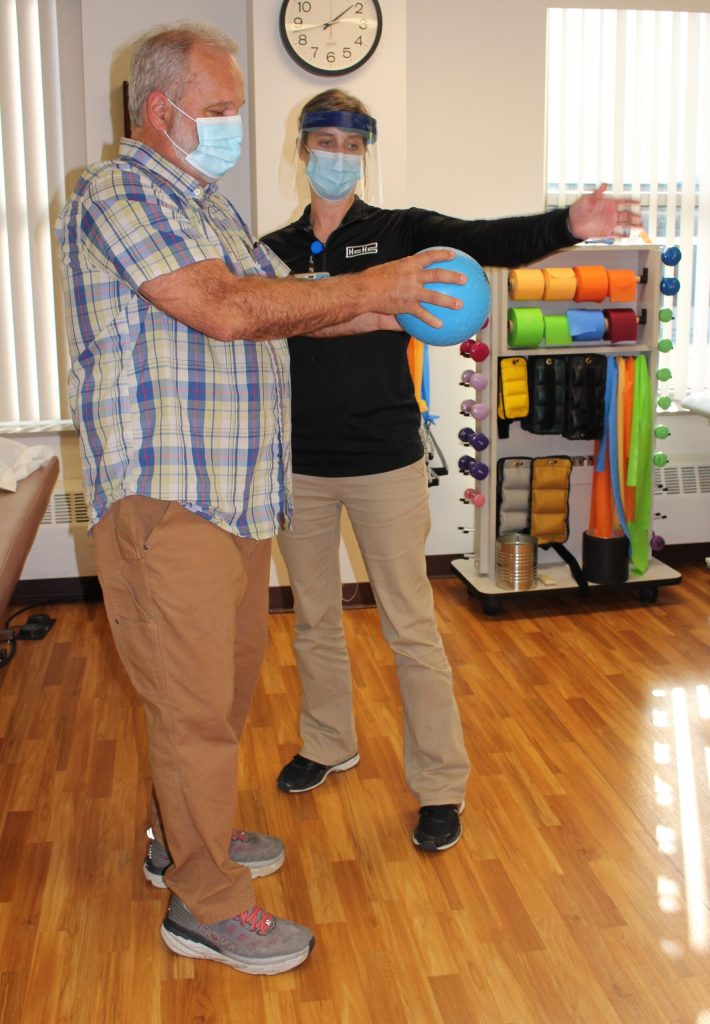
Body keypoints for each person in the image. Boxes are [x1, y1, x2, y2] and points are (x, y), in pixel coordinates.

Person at [55, 26, 465, 977]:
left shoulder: (211, 210)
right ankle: (205, 906)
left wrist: (406, 303)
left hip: (237, 501)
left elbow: (300, 307)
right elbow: (229, 311)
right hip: (169, 503)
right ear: (161, 112)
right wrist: (374, 282)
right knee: (193, 708)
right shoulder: (116, 194)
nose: (235, 125)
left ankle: (179, 840)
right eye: (222, 110)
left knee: (218, 698)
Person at [261, 89, 641, 854]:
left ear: (364, 152)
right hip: (298, 464)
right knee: (313, 619)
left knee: (410, 626)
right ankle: (329, 741)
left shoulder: (402, 234)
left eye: (349, 143)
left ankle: (440, 786)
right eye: (323, 141)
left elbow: (488, 239)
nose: (336, 156)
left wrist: (567, 225)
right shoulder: (269, 249)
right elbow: (258, 326)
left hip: (384, 461)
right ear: (301, 150)